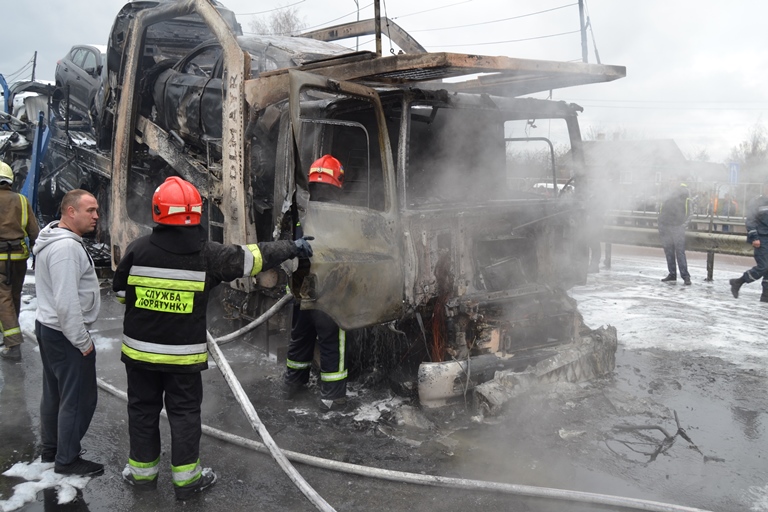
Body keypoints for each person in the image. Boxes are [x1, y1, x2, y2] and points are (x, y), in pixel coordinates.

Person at [113, 176, 312, 500]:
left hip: (140, 356)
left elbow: (121, 293)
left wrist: (151, 306)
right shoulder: (207, 254)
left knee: (142, 411)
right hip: (182, 359)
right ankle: (187, 481)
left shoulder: (138, 249)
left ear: (158, 212)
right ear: (196, 213)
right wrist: (293, 247)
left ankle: (142, 475)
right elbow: (252, 259)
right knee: (184, 415)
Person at [33, 189, 103, 476]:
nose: (96, 216)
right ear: (70, 212)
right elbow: (66, 302)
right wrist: (82, 341)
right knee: (78, 399)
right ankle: (68, 459)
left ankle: (53, 450)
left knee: (55, 394)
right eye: (90, 210)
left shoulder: (54, 238)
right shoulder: (66, 249)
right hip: (65, 333)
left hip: (48, 328)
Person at [283, 155, 349, 412]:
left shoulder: (300, 208)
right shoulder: (339, 212)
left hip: (302, 287)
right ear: (338, 181)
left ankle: (293, 387)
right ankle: (333, 397)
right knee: (333, 340)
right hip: (327, 290)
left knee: (302, 336)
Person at [0, 161, 40, 360]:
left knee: (2, 300)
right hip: (19, 258)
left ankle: (12, 344)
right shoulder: (22, 201)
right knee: (13, 296)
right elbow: (34, 232)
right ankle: (10, 334)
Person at [730, 182, 768, 302]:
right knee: (763, 267)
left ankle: (765, 296)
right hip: (761, 238)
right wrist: (755, 237)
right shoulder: (757, 202)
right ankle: (738, 282)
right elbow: (750, 221)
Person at [658, 180, 691, 285]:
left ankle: (683, 276)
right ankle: (677, 275)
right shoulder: (671, 193)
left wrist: (682, 225)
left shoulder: (683, 193)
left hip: (675, 226)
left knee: (677, 252)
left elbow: (689, 212)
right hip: (668, 225)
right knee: (672, 251)